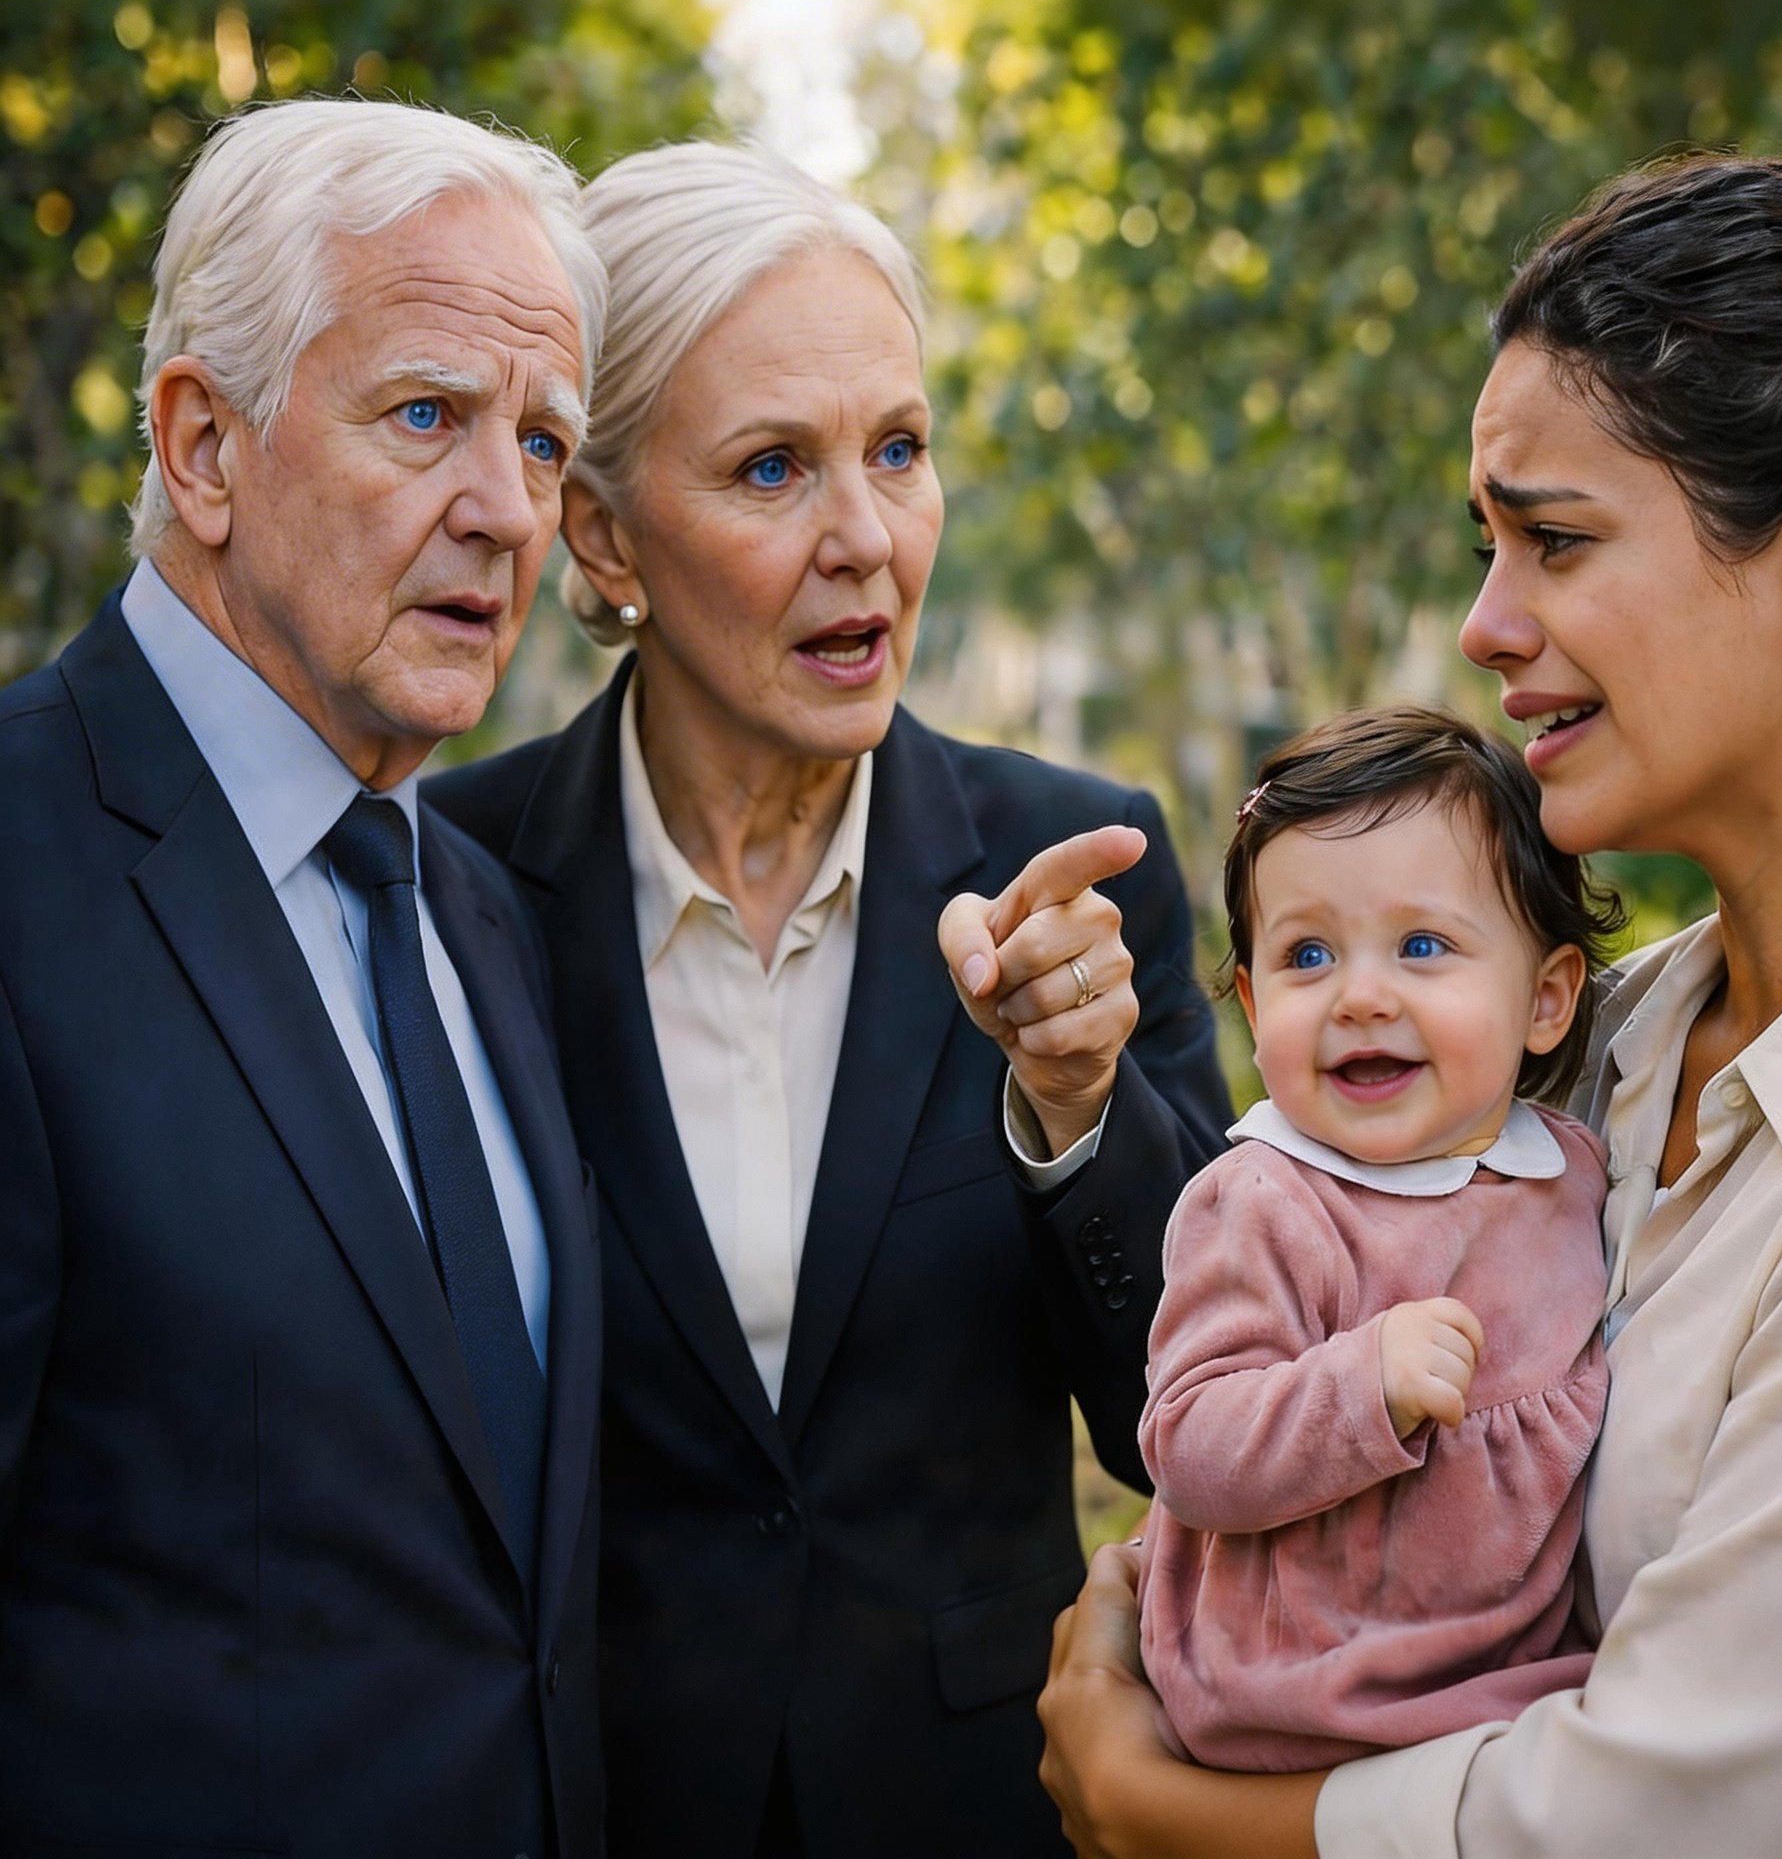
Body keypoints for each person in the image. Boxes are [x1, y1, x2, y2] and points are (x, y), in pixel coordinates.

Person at [1036, 152, 1782, 1859]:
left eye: (1553, 541)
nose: (1483, 626)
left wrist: (1165, 1808)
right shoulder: (1618, 1035)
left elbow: (1667, 1802)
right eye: (1485, 544)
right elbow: (1301, 1278)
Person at [426, 139, 1232, 1859]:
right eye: (772, 466)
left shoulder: (1075, 864)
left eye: (899, 450)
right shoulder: (451, 886)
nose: (866, 537)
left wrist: (1080, 1114)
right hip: (590, 1799)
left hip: (977, 1806)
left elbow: (1194, 1426)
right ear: (599, 529)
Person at [0, 97, 610, 1857]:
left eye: (545, 443)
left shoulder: (484, 913)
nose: (505, 510)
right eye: (426, 415)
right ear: (204, 446)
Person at [1138, 706, 1617, 1774]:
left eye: (1420, 945)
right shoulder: (1261, 1200)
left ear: (1543, 998)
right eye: (1307, 953)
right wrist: (1359, 1384)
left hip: (1506, 1694)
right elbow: (1189, 1443)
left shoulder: (1571, 1175)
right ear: (1254, 1008)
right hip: (1294, 1701)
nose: (1359, 995)